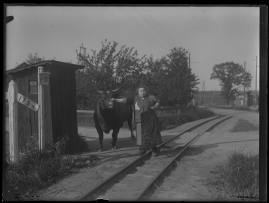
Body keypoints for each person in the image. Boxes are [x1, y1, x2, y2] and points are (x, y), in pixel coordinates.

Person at [112, 85, 162, 156]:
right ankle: (142, 149)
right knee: (140, 135)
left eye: (144, 90)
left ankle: (154, 149)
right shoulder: (135, 98)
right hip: (140, 119)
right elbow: (125, 100)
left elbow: (158, 101)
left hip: (150, 120)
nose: (142, 92)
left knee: (151, 134)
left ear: (146, 91)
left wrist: (154, 107)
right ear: (138, 92)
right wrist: (116, 100)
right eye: (140, 91)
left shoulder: (150, 97)